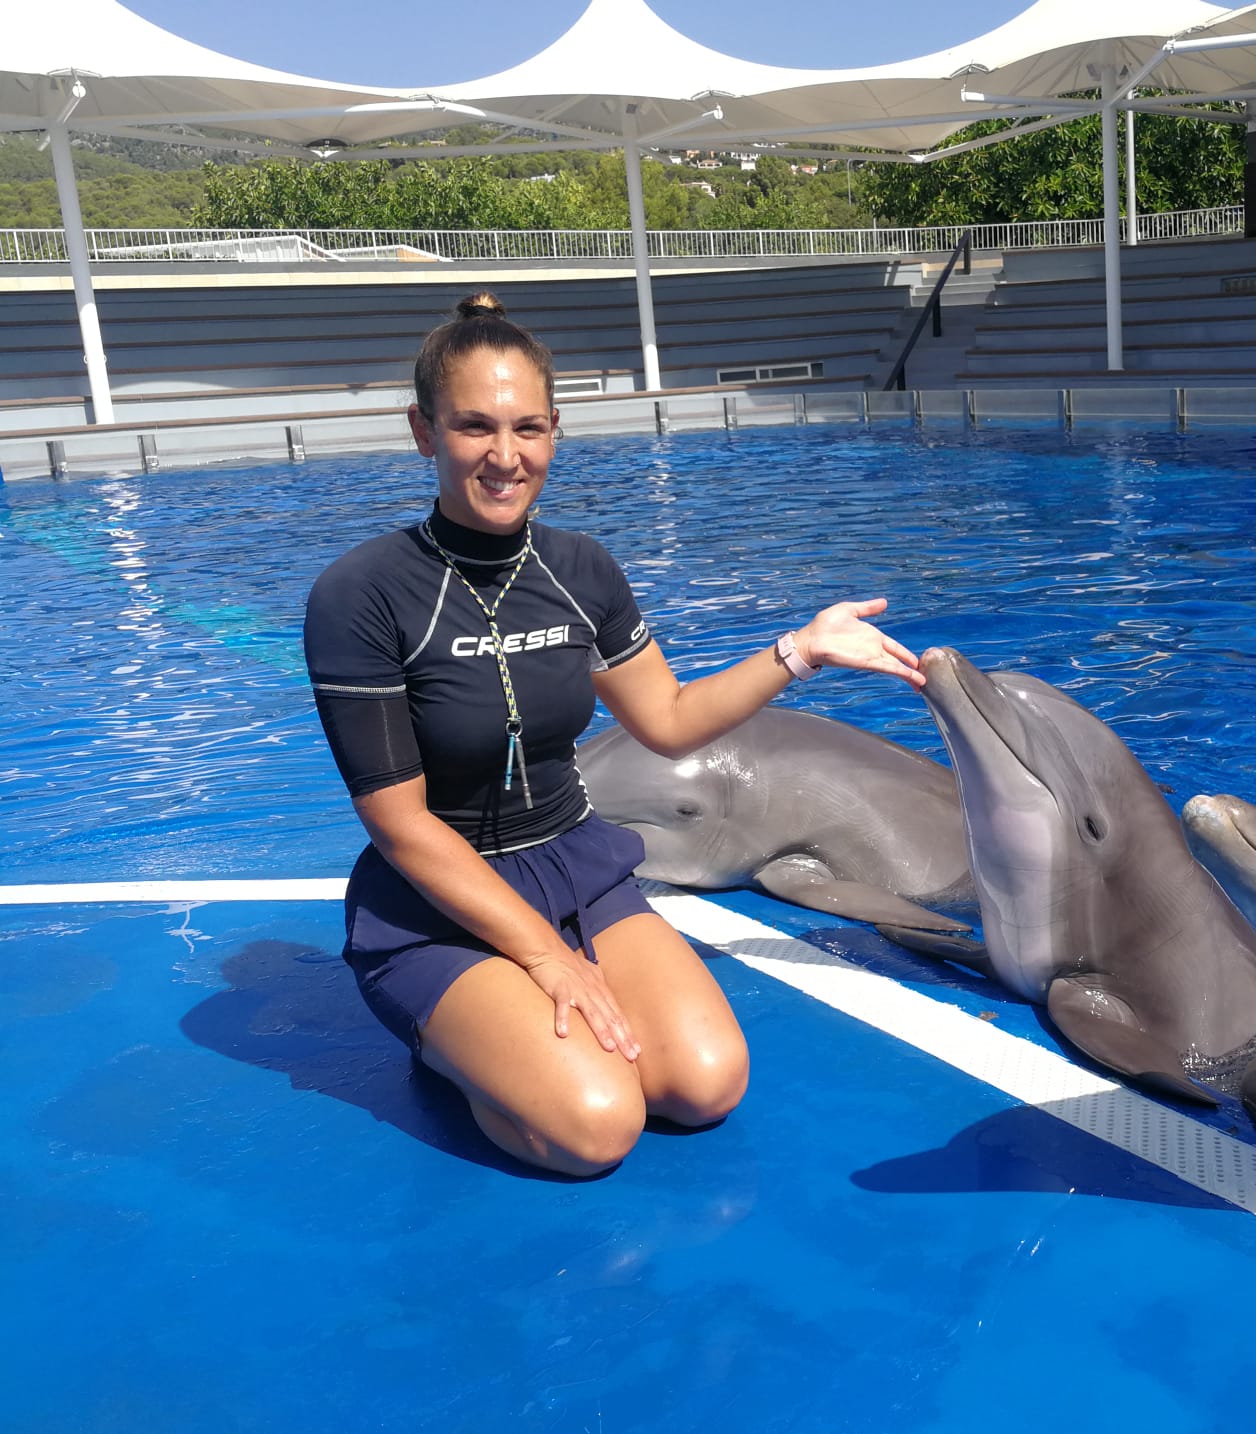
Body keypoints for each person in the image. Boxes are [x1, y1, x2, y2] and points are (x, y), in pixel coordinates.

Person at [304, 292, 925, 1176]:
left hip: (572, 869)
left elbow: (668, 721)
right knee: (597, 1129)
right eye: (475, 427)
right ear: (424, 430)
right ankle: (449, 1041)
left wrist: (800, 650)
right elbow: (400, 825)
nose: (505, 456)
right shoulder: (361, 594)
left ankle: (511, 1034)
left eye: (528, 429)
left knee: (705, 1087)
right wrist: (546, 960)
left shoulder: (580, 569)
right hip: (436, 905)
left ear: (555, 431)